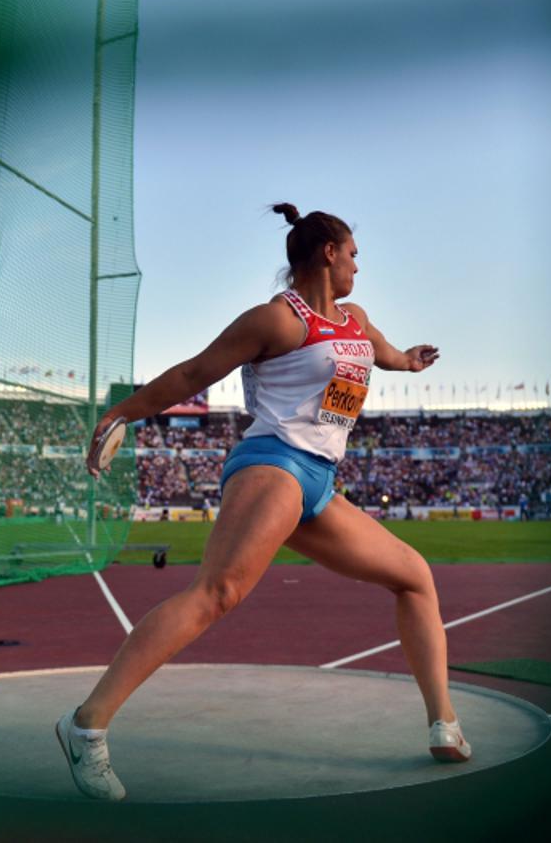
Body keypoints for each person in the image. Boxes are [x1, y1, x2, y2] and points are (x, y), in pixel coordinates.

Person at [56, 203, 470, 801]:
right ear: (328, 253)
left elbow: (380, 352)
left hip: (320, 482)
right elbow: (194, 372)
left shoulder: (355, 319)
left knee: (414, 577)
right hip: (273, 463)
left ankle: (444, 726)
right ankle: (84, 726)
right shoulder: (278, 321)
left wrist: (408, 361)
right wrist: (122, 412)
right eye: (354, 253)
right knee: (217, 592)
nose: (359, 265)